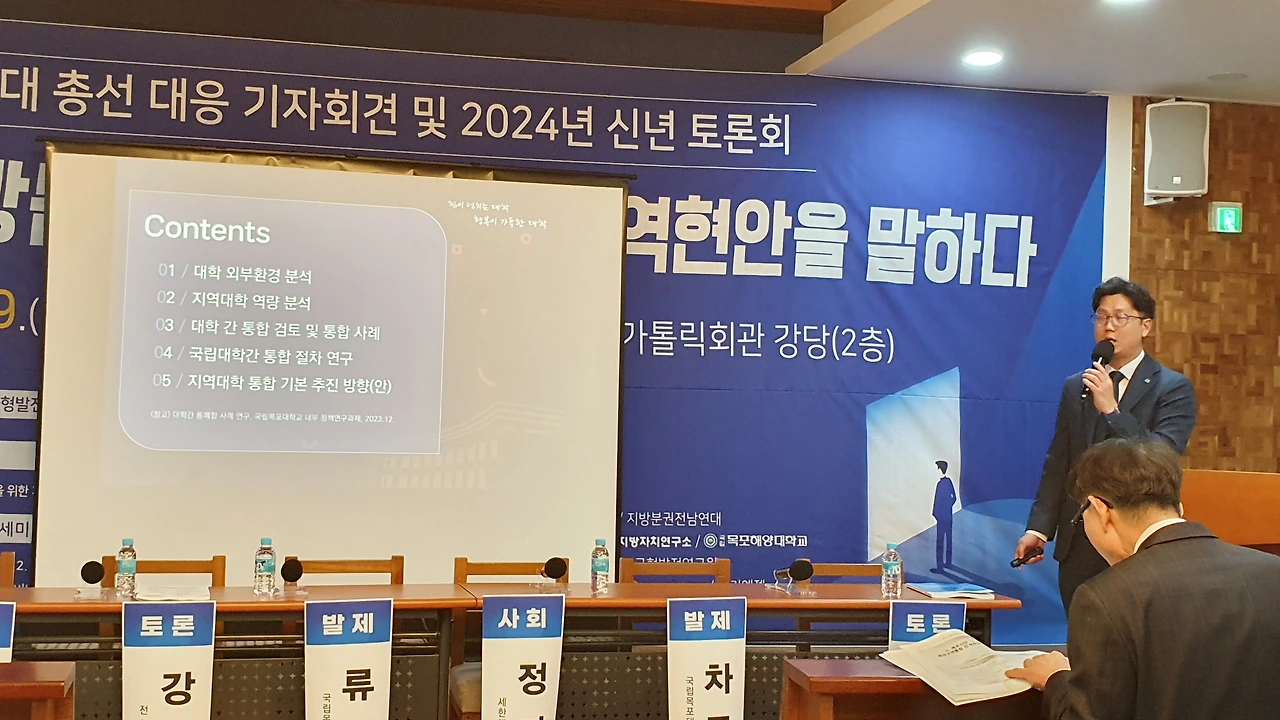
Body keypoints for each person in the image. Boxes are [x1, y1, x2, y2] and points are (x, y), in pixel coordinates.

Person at [1006, 438, 1280, 719]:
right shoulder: (1273, 571)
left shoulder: (1106, 599)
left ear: (1100, 510)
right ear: (1179, 507)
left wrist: (1056, 681)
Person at [1014, 277, 1197, 612]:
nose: (1108, 326)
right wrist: (1039, 529)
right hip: (1080, 538)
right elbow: (1060, 462)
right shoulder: (1077, 387)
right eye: (1101, 317)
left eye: (1120, 317)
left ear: (1146, 326)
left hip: (1136, 538)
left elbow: (1163, 457)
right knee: (1082, 630)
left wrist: (1112, 411)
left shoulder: (1172, 388)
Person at [932, 460, 956, 571]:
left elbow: (938, 501)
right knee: (947, 539)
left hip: (942, 516)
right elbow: (953, 498)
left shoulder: (942, 483)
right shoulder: (947, 482)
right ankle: (948, 563)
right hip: (947, 516)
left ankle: (940, 566)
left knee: (940, 541)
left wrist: (939, 511)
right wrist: (948, 507)